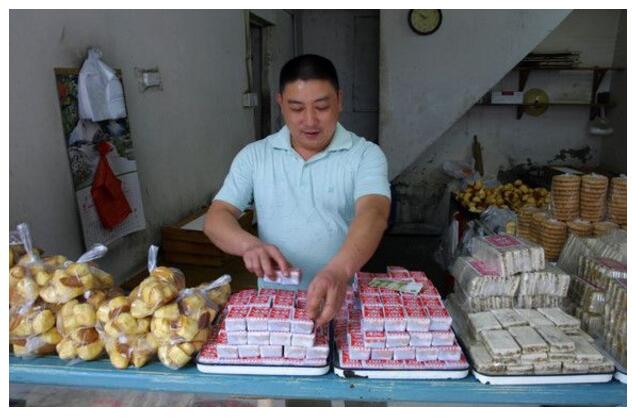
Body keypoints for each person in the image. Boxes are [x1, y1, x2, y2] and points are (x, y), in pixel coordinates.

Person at [204, 54, 390, 327]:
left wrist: (338, 271)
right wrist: (249, 245)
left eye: (322, 107)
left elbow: (373, 213)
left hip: (341, 298)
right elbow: (217, 217)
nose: (310, 120)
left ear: (339, 100)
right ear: (281, 103)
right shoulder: (255, 156)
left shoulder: (365, 155)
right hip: (275, 305)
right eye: (297, 108)